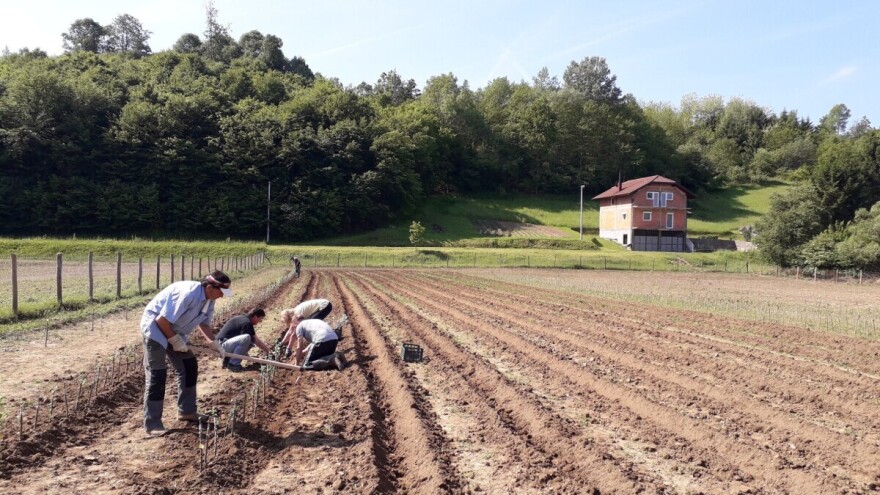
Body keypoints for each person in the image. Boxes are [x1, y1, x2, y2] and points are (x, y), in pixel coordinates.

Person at [139, 270, 231, 437]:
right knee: (157, 374)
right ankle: (153, 424)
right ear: (210, 287)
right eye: (221, 292)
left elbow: (204, 323)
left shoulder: (209, 300)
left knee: (189, 366)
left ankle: (187, 411)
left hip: (175, 330)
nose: (222, 296)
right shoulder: (188, 294)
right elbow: (162, 320)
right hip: (155, 329)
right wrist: (174, 340)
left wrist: (214, 342)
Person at [215, 308, 272, 372]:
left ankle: (227, 361)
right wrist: (269, 352)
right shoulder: (246, 323)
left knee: (250, 340)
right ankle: (233, 364)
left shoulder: (243, 319)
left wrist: (248, 356)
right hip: (221, 346)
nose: (260, 321)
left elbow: (251, 341)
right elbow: (256, 341)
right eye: (260, 319)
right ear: (255, 316)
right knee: (247, 338)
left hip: (225, 344)